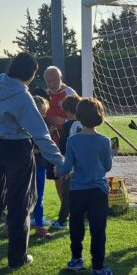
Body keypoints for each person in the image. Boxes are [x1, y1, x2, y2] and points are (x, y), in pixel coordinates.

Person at [0, 52, 64, 268]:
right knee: (20, 202)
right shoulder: (23, 96)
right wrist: (60, 161)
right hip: (17, 149)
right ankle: (17, 257)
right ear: (30, 73)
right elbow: (41, 134)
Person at [57, 98, 116, 275]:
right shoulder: (104, 141)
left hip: (77, 190)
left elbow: (66, 168)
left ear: (79, 117)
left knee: (76, 226)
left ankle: (76, 259)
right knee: (98, 229)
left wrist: (58, 169)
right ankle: (98, 268)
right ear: (100, 116)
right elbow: (107, 166)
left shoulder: (73, 140)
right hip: (98, 190)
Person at [49, 94, 81, 232]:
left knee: (67, 194)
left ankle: (62, 220)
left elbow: (64, 148)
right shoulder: (85, 123)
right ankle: (84, 217)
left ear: (67, 110)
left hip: (71, 165)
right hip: (85, 164)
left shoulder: (68, 126)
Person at [30, 95, 53, 238]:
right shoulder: (24, 125)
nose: (44, 115)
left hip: (40, 166)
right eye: (42, 112)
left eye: (45, 112)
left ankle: (39, 225)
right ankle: (11, 224)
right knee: (22, 197)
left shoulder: (44, 125)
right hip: (26, 167)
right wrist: (33, 150)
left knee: (39, 197)